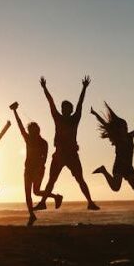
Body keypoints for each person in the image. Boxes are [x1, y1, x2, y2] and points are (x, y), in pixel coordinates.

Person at [34, 76, 99, 211]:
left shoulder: (75, 119)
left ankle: (90, 202)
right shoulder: (57, 118)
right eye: (63, 108)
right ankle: (43, 202)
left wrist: (84, 88)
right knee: (51, 180)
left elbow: (80, 104)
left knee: (80, 179)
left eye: (66, 108)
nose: (64, 110)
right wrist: (45, 88)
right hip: (59, 155)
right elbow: (50, 102)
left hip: (71, 155)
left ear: (70, 110)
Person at [10, 102, 63, 225]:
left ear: (38, 130)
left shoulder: (43, 142)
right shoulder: (28, 139)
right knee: (29, 193)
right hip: (28, 169)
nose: (32, 132)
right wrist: (15, 111)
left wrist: (39, 169)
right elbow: (20, 126)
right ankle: (32, 215)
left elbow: (44, 158)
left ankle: (56, 197)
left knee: (36, 192)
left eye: (34, 130)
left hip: (38, 169)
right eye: (31, 130)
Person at [91, 103, 134, 192]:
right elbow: (104, 124)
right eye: (124, 126)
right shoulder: (117, 139)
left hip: (129, 166)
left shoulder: (130, 136)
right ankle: (103, 170)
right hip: (119, 166)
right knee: (116, 188)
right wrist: (95, 114)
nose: (126, 128)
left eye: (126, 126)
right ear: (119, 128)